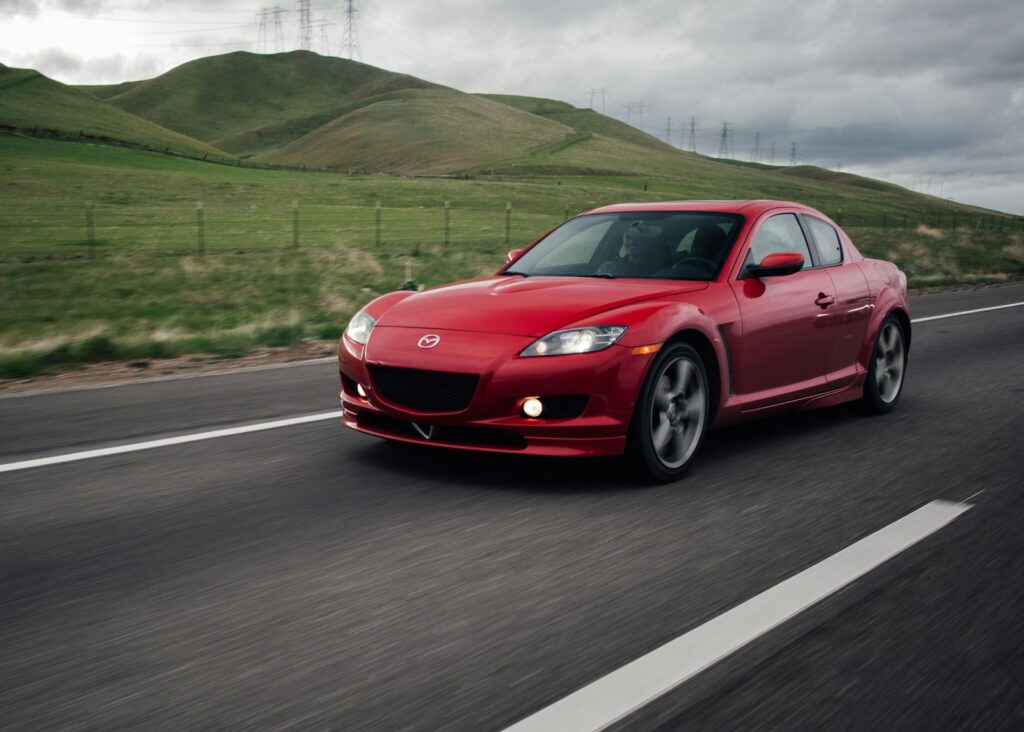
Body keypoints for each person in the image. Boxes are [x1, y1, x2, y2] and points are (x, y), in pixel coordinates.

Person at [597, 221, 672, 277]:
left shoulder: (666, 270)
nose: (631, 242)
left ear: (651, 242)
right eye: (628, 237)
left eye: (639, 238)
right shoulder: (608, 268)